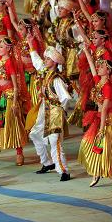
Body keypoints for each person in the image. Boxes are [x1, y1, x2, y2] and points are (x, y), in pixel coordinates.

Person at [78, 47, 112, 191]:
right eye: (98, 66)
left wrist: (101, 129)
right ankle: (97, 171)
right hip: (100, 118)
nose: (98, 68)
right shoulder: (98, 82)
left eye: (101, 66)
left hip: (110, 121)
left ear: (108, 71)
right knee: (86, 144)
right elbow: (91, 65)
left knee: (110, 151)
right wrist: (86, 52)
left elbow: (106, 109)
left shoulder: (107, 87)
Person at [0, 31, 30, 164]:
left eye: (1, 47)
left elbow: (15, 86)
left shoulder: (9, 63)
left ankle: (19, 153)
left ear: (8, 48)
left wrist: (14, 103)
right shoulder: (0, 59)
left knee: (14, 125)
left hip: (9, 97)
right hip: (1, 95)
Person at [26, 41, 71, 182]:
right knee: (34, 134)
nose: (45, 60)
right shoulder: (46, 72)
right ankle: (47, 163)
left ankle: (63, 170)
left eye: (47, 59)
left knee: (55, 141)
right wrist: (30, 44)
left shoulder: (56, 79)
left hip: (54, 112)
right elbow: (37, 63)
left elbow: (65, 98)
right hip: (44, 110)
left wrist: (61, 111)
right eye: (45, 58)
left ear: (55, 62)